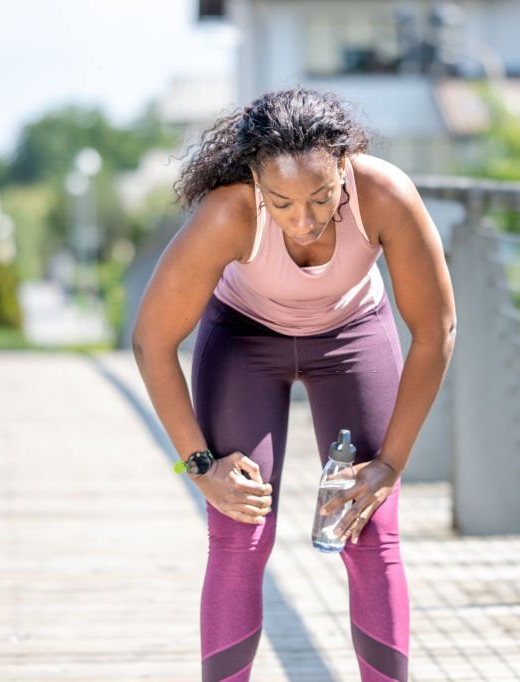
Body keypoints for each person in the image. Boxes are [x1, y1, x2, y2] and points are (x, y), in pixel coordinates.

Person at [131, 87, 455, 682]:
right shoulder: (229, 213)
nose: (303, 222)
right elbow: (152, 341)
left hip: (352, 335)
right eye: (281, 202)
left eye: (322, 197)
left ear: (344, 167)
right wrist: (199, 465)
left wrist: (391, 464)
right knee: (240, 530)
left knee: (369, 530)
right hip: (245, 340)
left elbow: (436, 331)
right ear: (255, 181)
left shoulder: (385, 196)